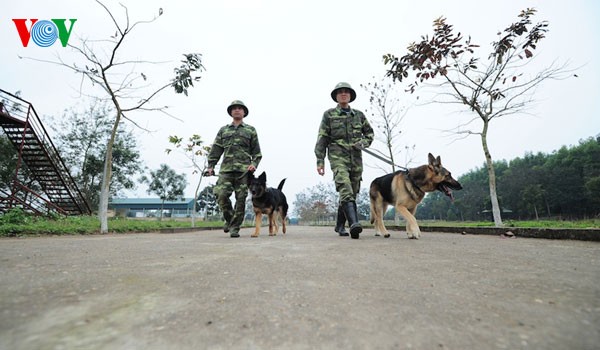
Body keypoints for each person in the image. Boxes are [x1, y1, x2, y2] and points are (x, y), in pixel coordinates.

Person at [315, 82, 374, 239]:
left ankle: (340, 225)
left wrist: (364, 143)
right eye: (340, 92)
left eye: (346, 92)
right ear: (336, 96)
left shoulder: (359, 115)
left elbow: (369, 133)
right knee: (345, 187)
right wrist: (320, 161)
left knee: (352, 192)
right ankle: (354, 224)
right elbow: (322, 138)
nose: (343, 94)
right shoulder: (329, 115)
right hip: (337, 156)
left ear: (350, 96)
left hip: (355, 159)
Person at [206, 100, 262, 238]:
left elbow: (257, 153)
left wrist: (254, 164)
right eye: (234, 109)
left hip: (244, 171)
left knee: (241, 199)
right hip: (226, 170)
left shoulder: (250, 130)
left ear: (244, 112)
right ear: (231, 112)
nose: (237, 110)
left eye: (240, 108)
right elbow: (216, 149)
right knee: (221, 195)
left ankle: (235, 228)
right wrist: (211, 166)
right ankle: (230, 220)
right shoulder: (223, 130)